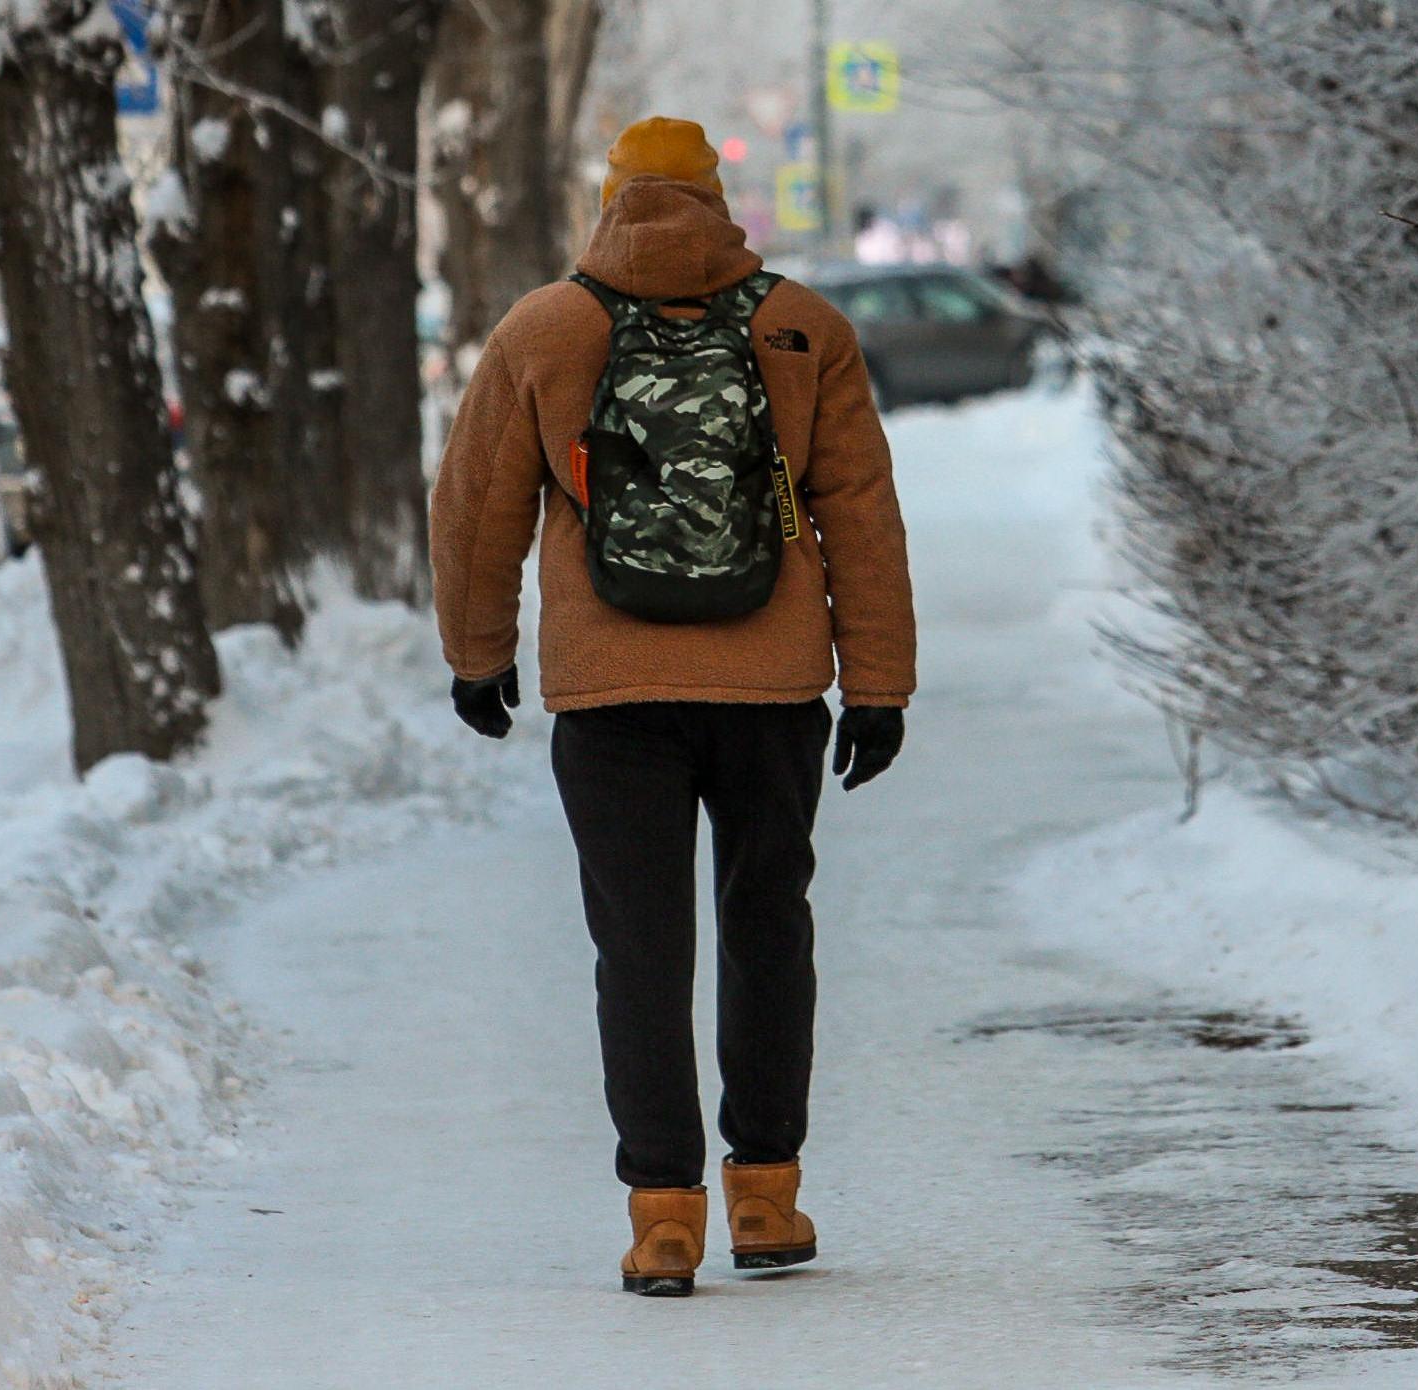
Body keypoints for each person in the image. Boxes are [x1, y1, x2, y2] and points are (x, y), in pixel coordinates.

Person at [426, 115, 916, 1299]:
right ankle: (766, 1199)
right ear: (715, 200)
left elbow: (477, 509)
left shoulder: (546, 328)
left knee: (639, 950)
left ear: (612, 198)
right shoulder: (802, 326)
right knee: (767, 927)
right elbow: (860, 509)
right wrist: (880, 683)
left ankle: (661, 1220)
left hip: (611, 694)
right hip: (774, 686)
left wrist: (478, 655)